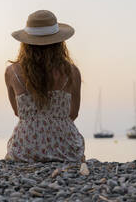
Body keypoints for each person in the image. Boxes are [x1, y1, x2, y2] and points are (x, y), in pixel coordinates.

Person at [5, 10, 85, 162]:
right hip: (65, 148)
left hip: (25, 148)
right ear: (60, 42)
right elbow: (73, 114)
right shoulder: (72, 72)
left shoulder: (11, 72)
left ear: (26, 42)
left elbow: (18, 112)